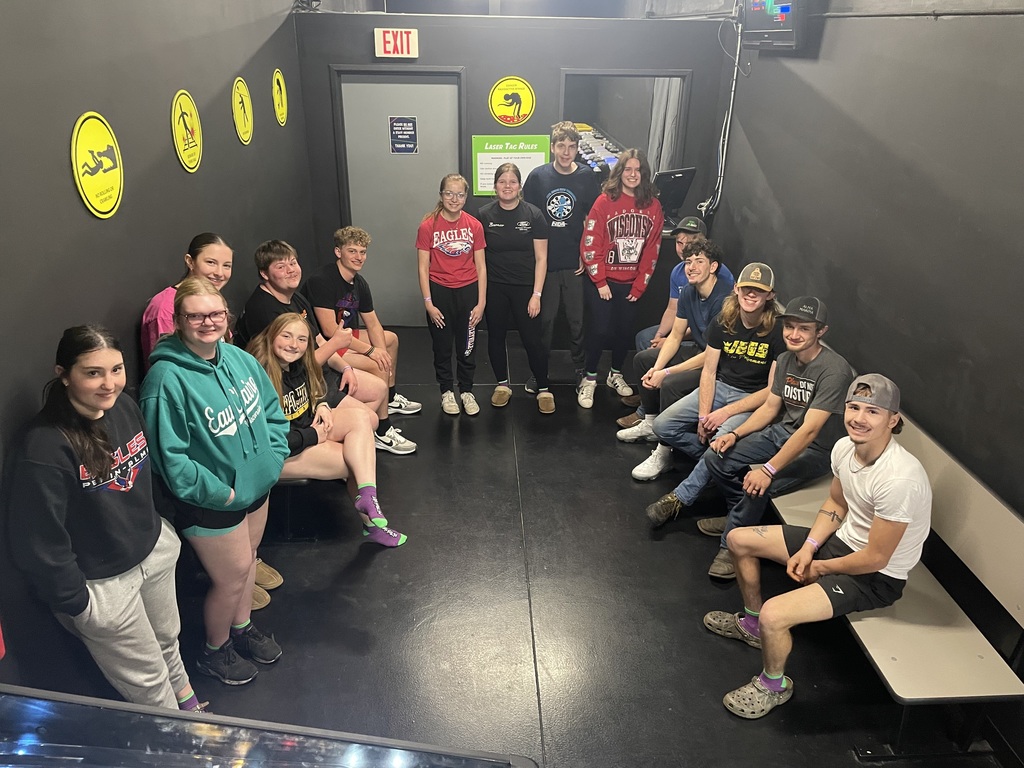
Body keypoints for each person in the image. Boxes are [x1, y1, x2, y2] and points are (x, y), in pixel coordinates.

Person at [703, 374, 930, 719]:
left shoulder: (900, 478)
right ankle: (750, 627)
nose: (859, 418)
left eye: (873, 412)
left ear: (893, 420)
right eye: (853, 408)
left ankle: (773, 685)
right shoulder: (844, 448)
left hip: (875, 577)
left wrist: (819, 568)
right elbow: (836, 505)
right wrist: (809, 547)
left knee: (775, 615)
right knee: (738, 539)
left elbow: (876, 557)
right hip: (839, 545)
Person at [6, 326, 206, 712]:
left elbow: (145, 480)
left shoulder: (125, 407)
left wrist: (162, 531)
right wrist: (79, 604)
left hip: (152, 553)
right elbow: (39, 539)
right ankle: (180, 742)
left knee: (168, 640)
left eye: (116, 369)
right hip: (103, 584)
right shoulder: (44, 445)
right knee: (147, 681)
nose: (108, 383)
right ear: (63, 374)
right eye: (93, 372)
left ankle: (189, 705)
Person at [141, 277, 289, 687]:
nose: (208, 322)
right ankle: (214, 650)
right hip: (211, 501)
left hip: (256, 487)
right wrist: (222, 491)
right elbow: (171, 461)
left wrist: (272, 460)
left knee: (248, 564)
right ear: (179, 321)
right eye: (196, 315)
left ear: (227, 317)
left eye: (216, 313)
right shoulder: (165, 380)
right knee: (231, 577)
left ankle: (241, 629)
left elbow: (272, 411)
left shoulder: (239, 359)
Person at [692, 297, 855, 580]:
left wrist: (768, 470)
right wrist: (734, 433)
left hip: (818, 449)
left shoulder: (834, 370)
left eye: (803, 329)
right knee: (715, 457)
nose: (794, 334)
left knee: (759, 487)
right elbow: (770, 407)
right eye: (789, 327)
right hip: (782, 432)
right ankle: (738, 518)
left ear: (821, 332)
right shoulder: (784, 360)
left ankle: (730, 546)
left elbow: (810, 430)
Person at [643, 264, 786, 553]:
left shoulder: (778, 330)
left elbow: (771, 393)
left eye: (758, 291)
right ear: (737, 289)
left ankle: (678, 499)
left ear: (769, 295)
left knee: (717, 446)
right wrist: (704, 415)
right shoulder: (725, 319)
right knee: (663, 426)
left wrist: (724, 415)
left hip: (750, 399)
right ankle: (715, 470)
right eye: (747, 288)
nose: (751, 294)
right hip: (719, 388)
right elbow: (708, 372)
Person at [248, 314, 407, 546]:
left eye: (302, 339)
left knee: (361, 418)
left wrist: (321, 403)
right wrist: (314, 436)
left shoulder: (296, 361)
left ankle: (368, 495)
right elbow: (268, 439)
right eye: (287, 336)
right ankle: (371, 526)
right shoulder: (260, 376)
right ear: (272, 335)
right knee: (353, 462)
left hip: (304, 430)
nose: (294, 344)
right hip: (277, 453)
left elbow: (316, 382)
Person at [234, 239, 389, 442]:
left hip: (317, 373)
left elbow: (318, 341)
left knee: (379, 389)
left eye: (293, 263)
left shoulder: (297, 298)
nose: (291, 270)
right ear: (264, 274)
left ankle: (350, 438)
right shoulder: (263, 309)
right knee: (368, 419)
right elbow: (294, 367)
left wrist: (345, 368)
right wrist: (337, 342)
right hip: (297, 388)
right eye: (281, 266)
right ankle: (328, 440)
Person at [621, 237, 735, 481]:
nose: (691, 267)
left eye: (699, 262)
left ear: (713, 267)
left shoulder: (725, 301)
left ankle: (665, 451)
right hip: (698, 350)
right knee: (644, 360)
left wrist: (667, 374)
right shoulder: (689, 293)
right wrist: (657, 368)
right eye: (688, 262)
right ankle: (651, 423)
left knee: (671, 384)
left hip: (718, 364)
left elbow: (711, 356)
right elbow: (675, 336)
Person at [302, 227, 421, 454]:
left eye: (363, 252)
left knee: (390, 341)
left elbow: (373, 323)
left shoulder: (359, 282)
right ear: (338, 252)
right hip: (327, 346)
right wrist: (371, 353)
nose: (359, 257)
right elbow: (329, 330)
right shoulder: (322, 280)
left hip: (346, 337)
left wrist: (379, 349)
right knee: (377, 363)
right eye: (352, 251)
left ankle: (391, 396)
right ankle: (382, 430)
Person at [578, 148, 664, 408]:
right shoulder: (605, 201)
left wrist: (640, 286)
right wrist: (600, 280)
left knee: (624, 331)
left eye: (638, 170)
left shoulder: (653, 206)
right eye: (628, 169)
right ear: (620, 172)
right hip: (602, 282)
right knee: (600, 329)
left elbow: (653, 248)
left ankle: (615, 374)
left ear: (644, 174)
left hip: (631, 283)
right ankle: (589, 378)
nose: (633, 174)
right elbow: (591, 241)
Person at [523, 121, 600, 389]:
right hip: (546, 263)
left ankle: (580, 369)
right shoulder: (537, 177)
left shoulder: (587, 177)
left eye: (572, 147)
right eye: (561, 146)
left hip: (574, 263)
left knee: (577, 321)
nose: (566, 152)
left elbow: (592, 219)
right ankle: (539, 372)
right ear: (553, 147)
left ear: (578, 148)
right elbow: (528, 216)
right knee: (545, 322)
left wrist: (586, 252)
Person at [478, 162, 554, 413]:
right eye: (502, 182)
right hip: (495, 288)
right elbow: (477, 258)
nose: (507, 186)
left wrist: (537, 294)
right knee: (496, 337)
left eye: (512, 182)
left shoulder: (534, 215)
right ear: (495, 186)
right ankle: (502, 385)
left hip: (525, 289)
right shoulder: (484, 215)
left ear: (520, 186)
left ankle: (543, 388)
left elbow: (542, 258)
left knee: (533, 340)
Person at [416, 173, 487, 416]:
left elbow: (481, 266)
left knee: (467, 346)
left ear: (466, 197)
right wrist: (428, 303)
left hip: (468, 291)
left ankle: (466, 390)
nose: (454, 199)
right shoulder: (428, 226)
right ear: (441, 195)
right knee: (442, 346)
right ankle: (446, 391)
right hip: (439, 292)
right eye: (449, 193)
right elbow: (423, 267)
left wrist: (481, 302)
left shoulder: (474, 225)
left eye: (459, 194)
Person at [141, 233, 233, 369]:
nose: (219, 272)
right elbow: (166, 362)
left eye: (227, 265)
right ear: (190, 261)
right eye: (211, 262)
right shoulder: (165, 306)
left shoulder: (215, 299)